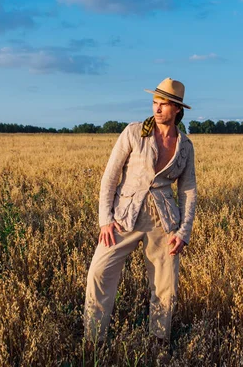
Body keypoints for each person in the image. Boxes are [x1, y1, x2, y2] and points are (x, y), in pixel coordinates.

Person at [84, 77, 197, 344]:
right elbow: (110, 177)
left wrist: (183, 232)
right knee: (99, 273)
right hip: (124, 216)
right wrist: (105, 220)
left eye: (164, 104)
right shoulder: (134, 132)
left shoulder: (185, 146)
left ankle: (159, 342)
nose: (157, 109)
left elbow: (188, 190)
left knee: (165, 285)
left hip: (164, 221)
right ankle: (93, 339)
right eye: (155, 103)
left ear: (177, 109)